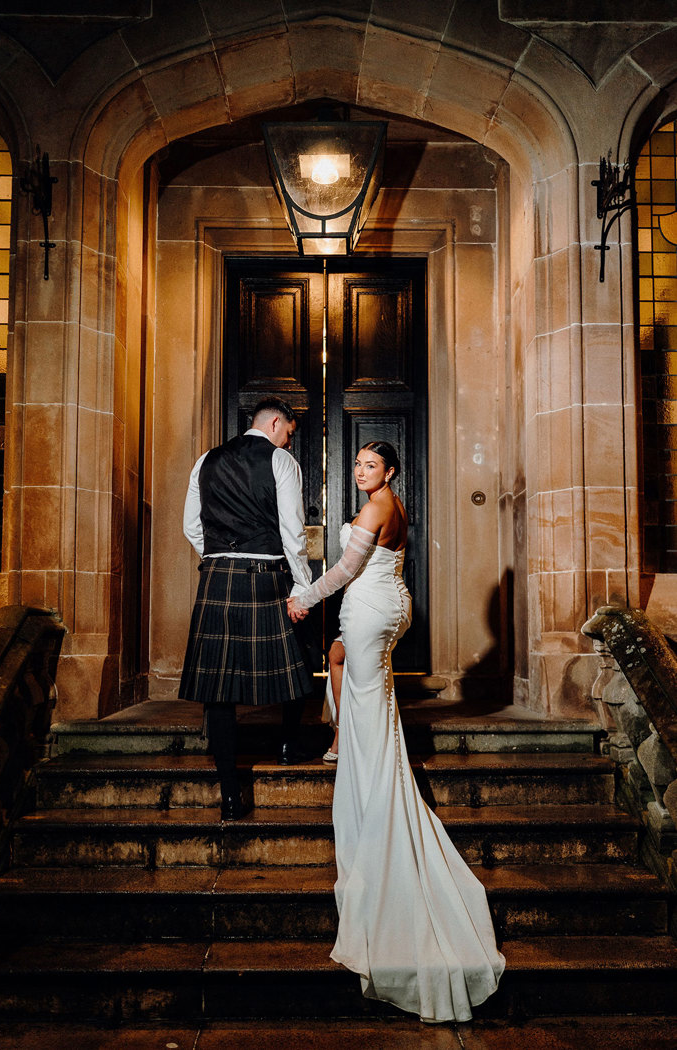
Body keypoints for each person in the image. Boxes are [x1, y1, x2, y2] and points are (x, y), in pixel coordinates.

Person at [287, 441, 505, 1023]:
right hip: (387, 606)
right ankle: (343, 744)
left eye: (370, 466)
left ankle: (376, 795)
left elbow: (345, 569)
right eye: (357, 464)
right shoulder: (394, 503)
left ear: (389, 472)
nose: (361, 472)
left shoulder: (377, 509)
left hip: (369, 607)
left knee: (367, 699)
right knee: (353, 678)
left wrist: (304, 597)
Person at [180, 397, 313, 820]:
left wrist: (220, 556)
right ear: (275, 423)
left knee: (218, 689)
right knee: (293, 662)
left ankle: (230, 795)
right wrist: (303, 588)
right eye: (289, 433)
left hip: (216, 577)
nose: (289, 442)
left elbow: (191, 526)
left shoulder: (206, 460)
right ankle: (289, 746)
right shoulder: (281, 462)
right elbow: (293, 532)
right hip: (266, 575)